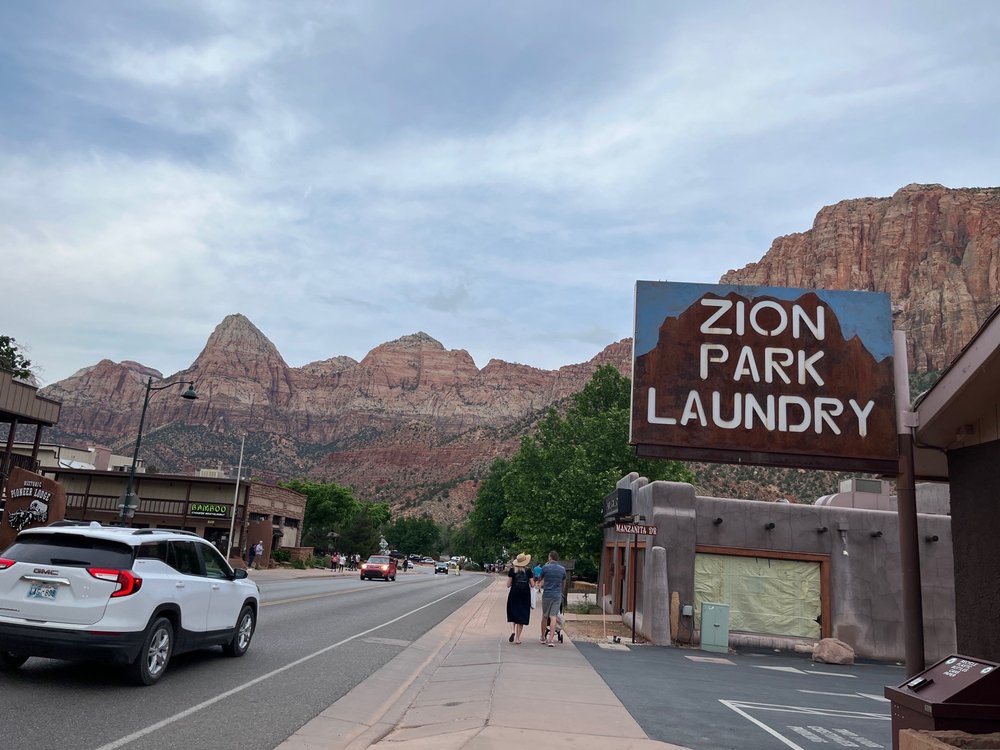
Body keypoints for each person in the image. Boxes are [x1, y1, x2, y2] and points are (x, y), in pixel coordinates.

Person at [538, 550, 567, 646]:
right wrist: (561, 591)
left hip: (547, 594)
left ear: (550, 557)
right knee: (553, 616)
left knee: (545, 616)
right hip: (557, 595)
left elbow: (540, 578)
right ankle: (551, 639)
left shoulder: (545, 567)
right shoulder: (562, 569)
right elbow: (563, 581)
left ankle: (543, 637)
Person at [506, 552, 535, 645]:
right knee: (521, 616)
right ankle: (517, 639)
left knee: (512, 613)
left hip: (514, 594)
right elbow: (532, 584)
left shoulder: (512, 571)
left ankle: (512, 631)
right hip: (524, 596)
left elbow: (508, 585)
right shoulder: (528, 571)